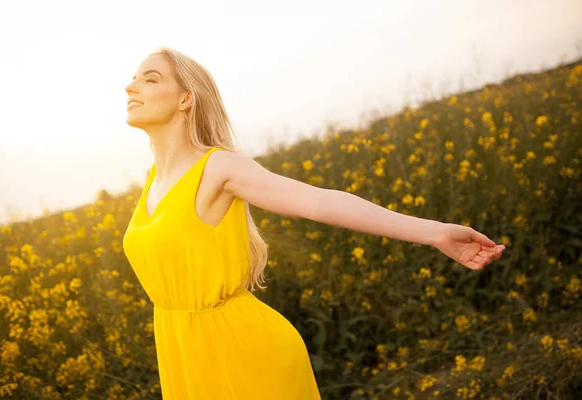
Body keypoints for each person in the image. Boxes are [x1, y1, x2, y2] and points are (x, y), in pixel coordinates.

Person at [122, 46, 505, 400]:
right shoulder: (155, 180)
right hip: (183, 354)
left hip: (244, 351)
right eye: (134, 78)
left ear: (186, 98)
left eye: (150, 78)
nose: (131, 86)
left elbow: (319, 202)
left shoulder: (218, 167)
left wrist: (435, 232)